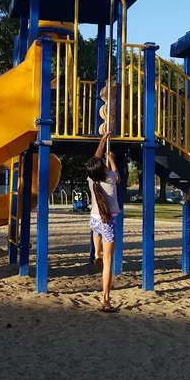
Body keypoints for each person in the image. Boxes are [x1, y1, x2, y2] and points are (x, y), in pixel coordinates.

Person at [86, 132, 120, 313]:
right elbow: (118, 176)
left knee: (99, 249)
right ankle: (105, 298)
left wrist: (101, 141)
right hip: (108, 221)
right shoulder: (110, 178)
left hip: (94, 220)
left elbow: (94, 159)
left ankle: (96, 254)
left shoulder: (91, 179)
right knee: (109, 263)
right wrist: (111, 159)